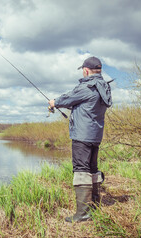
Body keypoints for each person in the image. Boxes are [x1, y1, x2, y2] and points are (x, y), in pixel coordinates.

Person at [48, 56, 112, 222]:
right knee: (92, 169)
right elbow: (82, 103)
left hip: (82, 136)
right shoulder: (103, 87)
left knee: (81, 170)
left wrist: (54, 102)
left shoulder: (86, 87)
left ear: (86, 70)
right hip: (95, 135)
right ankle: (94, 207)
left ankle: (82, 214)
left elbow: (66, 99)